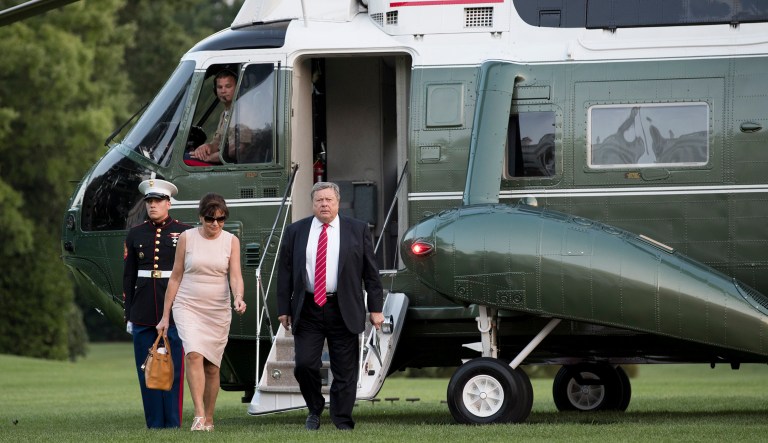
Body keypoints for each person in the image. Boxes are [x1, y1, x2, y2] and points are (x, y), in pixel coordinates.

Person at [277, 181, 385, 430]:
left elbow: (371, 272)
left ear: (337, 203)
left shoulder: (357, 229)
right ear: (312, 203)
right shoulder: (296, 231)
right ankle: (314, 409)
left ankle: (342, 420)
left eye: (329, 200)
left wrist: (376, 309)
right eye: (319, 200)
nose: (324, 204)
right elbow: (285, 272)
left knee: (345, 370)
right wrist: (284, 308)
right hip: (308, 308)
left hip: (344, 307)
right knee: (304, 365)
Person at [156, 193, 247, 431]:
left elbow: (235, 276)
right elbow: (175, 277)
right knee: (194, 354)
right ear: (201, 217)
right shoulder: (187, 238)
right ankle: (197, 414)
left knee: (213, 366)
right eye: (210, 218)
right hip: (188, 305)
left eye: (220, 219)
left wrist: (238, 297)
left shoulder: (231, 241)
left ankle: (209, 417)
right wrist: (165, 316)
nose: (215, 224)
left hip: (217, 309)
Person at [123, 178, 190, 429]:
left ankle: (172, 422)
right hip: (142, 310)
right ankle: (154, 423)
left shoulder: (185, 231)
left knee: (173, 369)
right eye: (149, 201)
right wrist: (128, 314)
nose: (153, 205)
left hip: (173, 310)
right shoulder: (135, 233)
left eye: (158, 201)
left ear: (168, 203)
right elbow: (129, 276)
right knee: (147, 369)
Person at [187, 69, 250, 165]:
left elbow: (238, 149)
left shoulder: (243, 111)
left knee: (186, 160)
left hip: (235, 166)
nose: (223, 91)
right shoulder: (225, 113)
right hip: (224, 161)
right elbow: (217, 143)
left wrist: (211, 157)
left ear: (238, 88)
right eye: (220, 87)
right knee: (188, 156)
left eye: (228, 86)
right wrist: (206, 147)